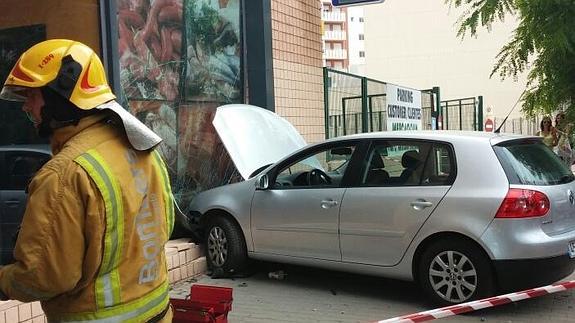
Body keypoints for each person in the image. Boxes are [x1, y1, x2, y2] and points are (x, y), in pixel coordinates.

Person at [0, 39, 174, 322]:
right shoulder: (143, 149)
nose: (26, 107)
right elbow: (161, 228)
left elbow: (44, 277)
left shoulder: (62, 175)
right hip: (159, 313)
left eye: (31, 95)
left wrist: (4, 280)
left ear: (60, 95)